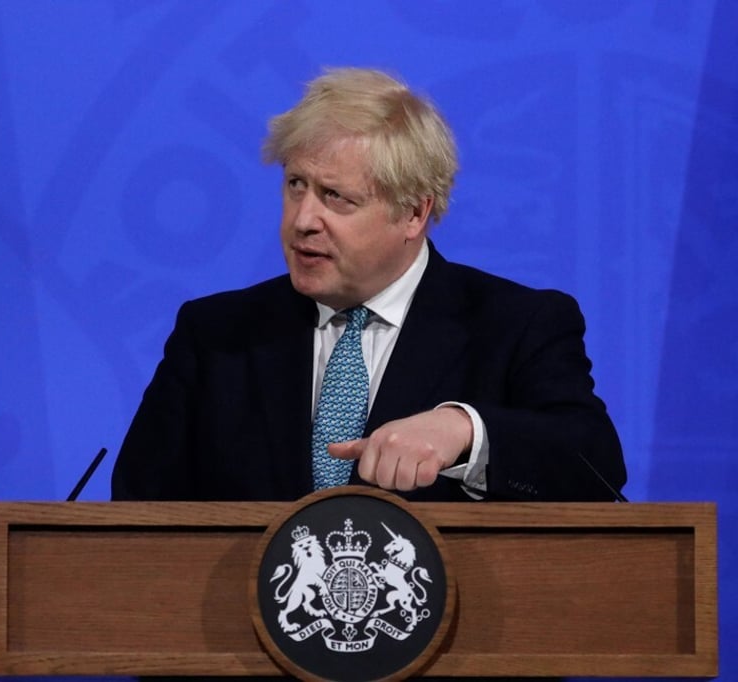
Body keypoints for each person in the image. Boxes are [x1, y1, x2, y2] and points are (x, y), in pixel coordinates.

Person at [111, 67, 625, 504]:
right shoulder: (215, 335)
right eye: (296, 186)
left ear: (413, 213)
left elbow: (596, 466)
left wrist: (465, 432)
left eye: (336, 197)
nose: (303, 220)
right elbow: (136, 515)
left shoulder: (515, 325)